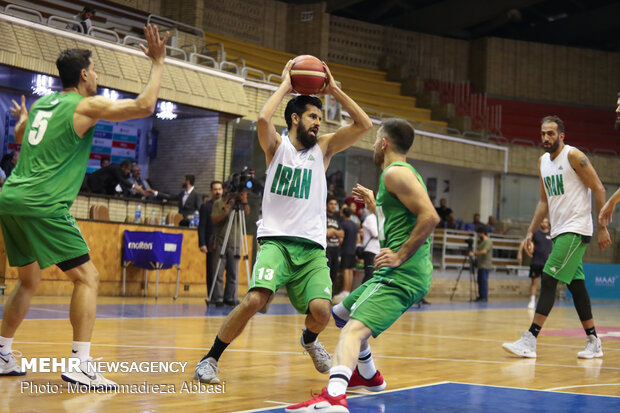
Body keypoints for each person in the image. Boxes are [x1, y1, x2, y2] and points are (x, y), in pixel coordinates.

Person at [0, 25, 169, 386]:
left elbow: (20, 135)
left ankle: (2, 352)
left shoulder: (44, 103)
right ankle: (80, 363)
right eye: (94, 70)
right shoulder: (85, 104)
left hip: (10, 198)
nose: (97, 76)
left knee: (28, 280)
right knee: (88, 278)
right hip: (43, 203)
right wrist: (158, 63)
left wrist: (21, 120)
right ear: (83, 75)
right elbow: (145, 106)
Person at [193, 59, 372, 384]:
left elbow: (364, 125)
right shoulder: (276, 146)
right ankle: (210, 358)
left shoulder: (325, 148)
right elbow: (263, 117)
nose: (318, 122)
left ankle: (308, 340)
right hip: (276, 240)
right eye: (312, 116)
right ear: (294, 118)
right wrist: (285, 85)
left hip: (312, 248)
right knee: (255, 299)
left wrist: (333, 91)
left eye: (320, 117)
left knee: (321, 312)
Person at [286, 118, 439, 412]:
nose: (373, 146)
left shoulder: (395, 173)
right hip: (397, 273)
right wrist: (376, 204)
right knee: (341, 314)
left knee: (352, 331)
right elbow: (400, 219)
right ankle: (368, 376)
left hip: (400, 275)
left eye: (375, 141)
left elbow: (430, 217)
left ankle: (335, 396)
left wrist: (399, 255)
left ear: (383, 143)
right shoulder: (398, 176)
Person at [503, 115, 611, 359]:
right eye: (542, 133)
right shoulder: (542, 162)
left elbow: (599, 188)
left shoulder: (574, 156)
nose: (545, 138)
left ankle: (530, 339)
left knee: (549, 277)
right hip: (559, 230)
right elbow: (543, 201)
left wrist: (602, 226)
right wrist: (529, 232)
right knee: (576, 285)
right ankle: (593, 341)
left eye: (550, 133)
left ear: (562, 136)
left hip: (576, 229)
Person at [209, 188, 250, 307]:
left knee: (233, 272)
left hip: (235, 241)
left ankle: (230, 297)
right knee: (218, 272)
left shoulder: (241, 204)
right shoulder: (219, 203)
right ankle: (218, 298)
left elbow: (247, 213)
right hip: (221, 240)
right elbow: (214, 220)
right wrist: (225, 211)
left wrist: (245, 200)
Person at [517, 218, 552, 309]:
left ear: (548, 224)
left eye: (545, 222)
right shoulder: (536, 234)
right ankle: (532, 301)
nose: (543, 223)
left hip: (547, 264)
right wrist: (520, 253)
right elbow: (525, 242)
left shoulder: (552, 235)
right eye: (542, 221)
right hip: (536, 262)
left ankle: (543, 302)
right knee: (534, 282)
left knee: (546, 284)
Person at [198, 181, 223, 305]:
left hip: (224, 242)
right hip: (211, 243)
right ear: (211, 191)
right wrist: (202, 243)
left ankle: (224, 296)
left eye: (219, 189)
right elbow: (201, 226)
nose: (217, 192)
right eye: (215, 189)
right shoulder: (206, 206)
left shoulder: (226, 206)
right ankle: (212, 295)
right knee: (211, 270)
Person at [333, 207, 358, 303]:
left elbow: (341, 238)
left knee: (346, 270)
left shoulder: (342, 224)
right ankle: (348, 291)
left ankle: (345, 291)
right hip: (353, 250)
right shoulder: (355, 225)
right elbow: (357, 239)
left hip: (345, 250)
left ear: (343, 214)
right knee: (350, 270)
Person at [88, 159, 152, 197]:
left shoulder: (123, 173)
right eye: (128, 170)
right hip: (95, 181)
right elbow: (122, 181)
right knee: (101, 196)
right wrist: (136, 187)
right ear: (123, 167)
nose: (129, 172)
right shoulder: (116, 169)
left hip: (105, 185)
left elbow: (121, 183)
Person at [469, 226, 493, 302]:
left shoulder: (488, 241)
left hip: (485, 265)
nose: (478, 236)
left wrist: (474, 253)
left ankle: (484, 297)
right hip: (480, 264)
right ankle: (481, 296)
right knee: (480, 281)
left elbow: (484, 251)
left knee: (483, 281)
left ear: (482, 233)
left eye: (478, 234)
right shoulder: (481, 242)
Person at [326, 196, 344, 283]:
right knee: (326, 274)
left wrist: (332, 231)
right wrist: (335, 232)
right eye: (331, 204)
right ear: (326, 205)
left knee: (334, 273)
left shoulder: (337, 218)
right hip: (326, 249)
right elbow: (326, 233)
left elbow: (342, 234)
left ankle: (331, 295)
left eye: (335, 204)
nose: (333, 206)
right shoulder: (323, 216)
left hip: (336, 249)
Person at [360, 210, 379, 284]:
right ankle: (363, 295)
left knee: (376, 277)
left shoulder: (381, 218)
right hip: (370, 251)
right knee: (369, 276)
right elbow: (376, 234)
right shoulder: (370, 218)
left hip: (379, 251)